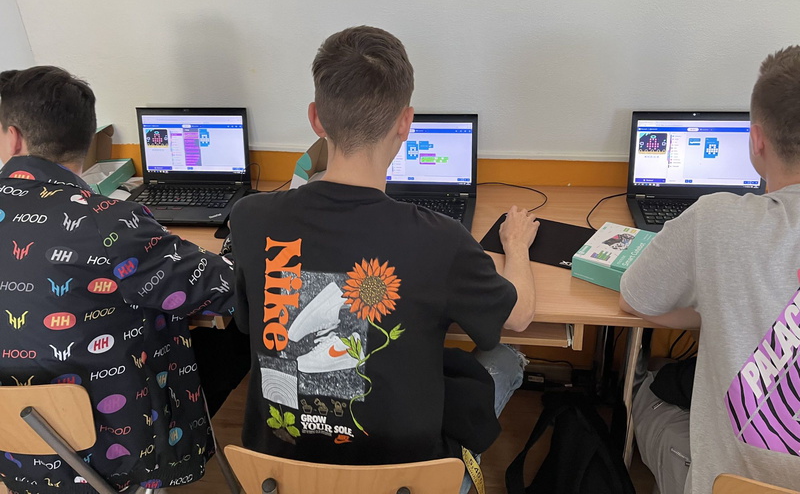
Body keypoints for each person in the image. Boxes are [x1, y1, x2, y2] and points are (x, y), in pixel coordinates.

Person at [229, 26, 537, 491]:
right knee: (506, 358)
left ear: (316, 118)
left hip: (278, 480)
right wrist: (516, 246)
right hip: (407, 483)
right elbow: (519, 316)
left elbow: (247, 322)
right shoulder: (441, 240)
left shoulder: (250, 217)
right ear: (405, 123)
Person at [0, 66, 236, 494]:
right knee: (225, 340)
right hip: (107, 453)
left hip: (9, 454)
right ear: (86, 138)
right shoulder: (106, 222)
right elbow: (226, 289)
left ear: (13, 139)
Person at [620, 47, 800, 494]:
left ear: (756, 140)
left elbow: (635, 299)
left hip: (729, 486)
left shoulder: (717, 220)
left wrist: (716, 309)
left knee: (646, 394)